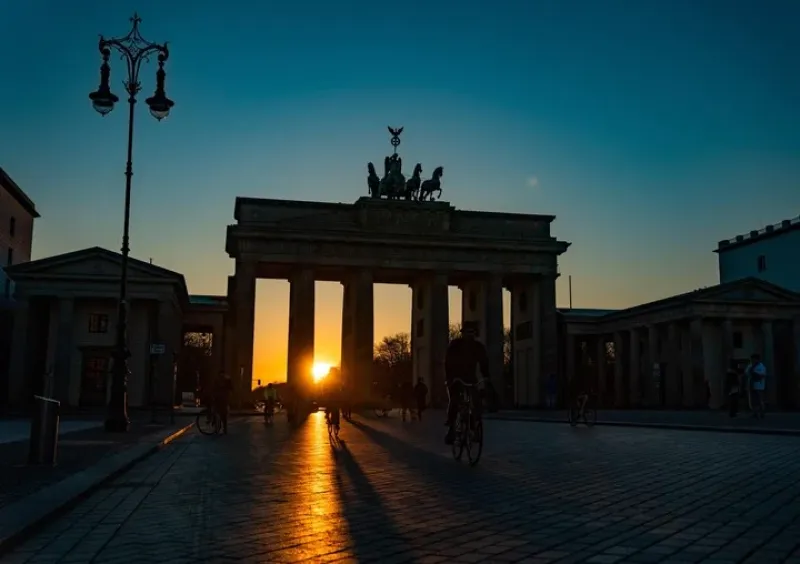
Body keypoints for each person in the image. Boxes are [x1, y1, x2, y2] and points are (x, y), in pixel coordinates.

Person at [444, 322, 489, 445]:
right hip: (456, 377)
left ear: (475, 333)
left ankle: (475, 428)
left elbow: (484, 363)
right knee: (454, 400)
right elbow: (448, 362)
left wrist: (486, 378)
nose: (469, 335)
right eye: (467, 332)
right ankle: (451, 428)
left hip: (470, 378)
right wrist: (450, 378)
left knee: (476, 402)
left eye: (472, 332)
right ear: (462, 333)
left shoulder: (478, 347)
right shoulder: (455, 345)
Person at [745, 353, 767, 418]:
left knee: (760, 399)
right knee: (753, 400)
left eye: (754, 359)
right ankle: (755, 412)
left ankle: (762, 412)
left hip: (759, 385)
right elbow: (746, 373)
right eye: (752, 359)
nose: (753, 361)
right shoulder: (750, 366)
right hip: (751, 385)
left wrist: (754, 373)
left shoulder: (761, 366)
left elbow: (762, 375)